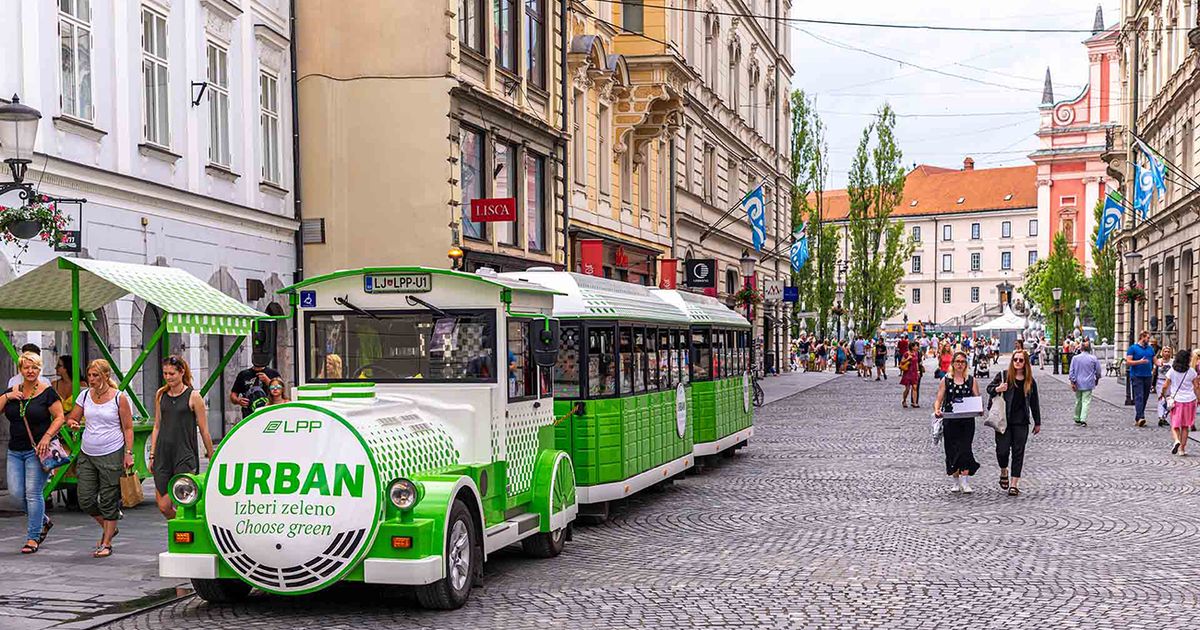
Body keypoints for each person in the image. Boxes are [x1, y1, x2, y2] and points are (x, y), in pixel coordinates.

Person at [65, 359, 134, 558]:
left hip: (112, 452)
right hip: (88, 452)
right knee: (85, 499)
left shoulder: (118, 398)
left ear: (105, 375)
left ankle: (107, 542)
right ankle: (109, 525)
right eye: (90, 375)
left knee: (108, 499)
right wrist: (73, 424)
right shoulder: (84, 395)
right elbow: (73, 418)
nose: (92, 379)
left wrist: (128, 454)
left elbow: (127, 428)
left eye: (96, 375)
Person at [3, 351, 67, 553]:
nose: (30, 371)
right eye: (26, 367)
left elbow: (59, 418)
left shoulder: (47, 392)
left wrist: (47, 437)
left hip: (38, 450)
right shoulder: (13, 390)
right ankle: (43, 521)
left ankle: (33, 537)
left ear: (40, 369)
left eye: (34, 367)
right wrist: (7, 395)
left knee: (32, 493)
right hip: (15, 449)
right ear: (20, 370)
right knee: (15, 494)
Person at [150, 356, 215, 519]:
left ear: (181, 372)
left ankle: (181, 533)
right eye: (165, 373)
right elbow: (157, 425)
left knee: (179, 500)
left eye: (172, 373)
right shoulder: (160, 394)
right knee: (163, 506)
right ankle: (178, 528)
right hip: (163, 453)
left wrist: (211, 455)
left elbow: (204, 429)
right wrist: (152, 454)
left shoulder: (194, 396)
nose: (168, 377)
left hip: (184, 453)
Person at [987, 350, 1042, 496]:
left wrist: (1037, 422)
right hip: (1003, 420)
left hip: (1021, 421)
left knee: (1018, 452)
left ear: (1025, 363)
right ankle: (1004, 470)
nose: (1017, 362)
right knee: (1002, 451)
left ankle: (1014, 484)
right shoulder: (1004, 376)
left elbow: (1034, 403)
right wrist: (998, 388)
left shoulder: (1030, 381)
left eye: (1021, 360)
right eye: (1015, 360)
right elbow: (989, 389)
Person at [934, 351, 981, 493]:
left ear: (966, 364)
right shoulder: (946, 380)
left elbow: (976, 398)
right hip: (950, 420)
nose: (960, 364)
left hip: (967, 420)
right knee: (952, 450)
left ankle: (965, 481)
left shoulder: (971, 380)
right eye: (957, 362)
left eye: (962, 362)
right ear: (953, 364)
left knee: (965, 449)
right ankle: (955, 481)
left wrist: (979, 409)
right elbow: (939, 399)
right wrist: (937, 410)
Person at [1160, 349, 1200, 456]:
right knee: (1185, 426)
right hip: (1190, 400)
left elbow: (1165, 386)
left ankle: (1176, 440)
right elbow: (1196, 386)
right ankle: (1182, 449)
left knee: (1175, 425)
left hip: (1177, 400)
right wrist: (1199, 398)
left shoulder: (1172, 371)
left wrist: (1164, 395)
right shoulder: (1191, 372)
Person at [230, 354, 281, 419]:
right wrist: (238, 400)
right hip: (249, 416)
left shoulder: (273, 373)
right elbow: (233, 394)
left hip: (269, 414)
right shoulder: (243, 374)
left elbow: (281, 392)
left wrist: (268, 381)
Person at [1069, 340, 1103, 427]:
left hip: (1078, 382)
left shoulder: (1075, 358)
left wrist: (1072, 382)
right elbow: (1098, 371)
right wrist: (1097, 379)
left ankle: (1077, 417)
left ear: (1081, 348)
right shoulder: (1093, 358)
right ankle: (1083, 419)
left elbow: (1071, 371)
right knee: (1086, 401)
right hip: (1088, 382)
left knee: (1078, 400)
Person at [1126, 330, 1156, 427]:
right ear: (1142, 337)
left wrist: (1162, 364)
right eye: (1147, 338)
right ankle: (1141, 417)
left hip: (1148, 376)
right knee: (1139, 396)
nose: (1148, 339)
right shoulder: (1133, 348)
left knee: (1145, 397)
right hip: (1136, 375)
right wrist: (1139, 362)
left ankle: (1138, 417)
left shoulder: (1150, 349)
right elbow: (1128, 362)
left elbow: (1155, 360)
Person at [1154, 346, 1175, 427]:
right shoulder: (1158, 361)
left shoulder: (1173, 362)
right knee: (1161, 399)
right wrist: (1153, 384)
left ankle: (1164, 415)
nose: (1167, 353)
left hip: (1170, 383)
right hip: (1160, 381)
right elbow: (1154, 373)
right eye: (1165, 351)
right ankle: (1161, 417)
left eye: (1168, 351)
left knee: (1170, 401)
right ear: (1162, 352)